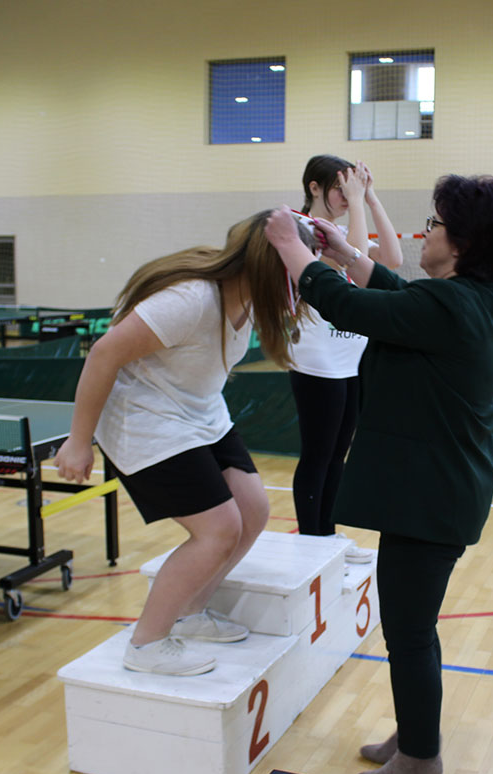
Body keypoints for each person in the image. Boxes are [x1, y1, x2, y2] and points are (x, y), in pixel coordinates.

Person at [266, 174, 493, 774]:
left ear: (461, 244)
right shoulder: (473, 299)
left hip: (432, 498)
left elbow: (354, 307)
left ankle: (419, 757)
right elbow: (397, 294)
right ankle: (415, 736)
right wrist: (343, 251)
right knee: (413, 628)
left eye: (435, 224)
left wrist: (292, 248)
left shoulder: (451, 305)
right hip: (437, 493)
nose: (425, 232)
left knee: (408, 633)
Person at [54, 211, 311, 677]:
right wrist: (78, 440)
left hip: (201, 411)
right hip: (146, 419)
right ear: (269, 264)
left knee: (253, 510)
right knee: (218, 530)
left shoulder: (249, 297)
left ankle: (190, 613)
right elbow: (104, 353)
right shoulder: (191, 299)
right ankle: (146, 644)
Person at [289, 156, 401, 563]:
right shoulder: (301, 228)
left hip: (350, 360)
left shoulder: (345, 228)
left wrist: (369, 198)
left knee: (338, 456)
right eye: (339, 187)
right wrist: (355, 203)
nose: (344, 195)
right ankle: (312, 543)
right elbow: (345, 262)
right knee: (318, 455)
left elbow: (392, 258)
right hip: (317, 362)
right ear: (315, 187)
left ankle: (328, 537)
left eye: (348, 187)